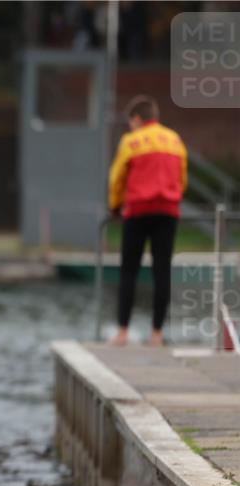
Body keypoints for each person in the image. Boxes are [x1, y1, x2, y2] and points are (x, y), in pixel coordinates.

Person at [108, 95, 187, 346]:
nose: (130, 126)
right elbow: (182, 178)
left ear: (137, 119)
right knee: (162, 271)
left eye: (131, 122)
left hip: (138, 211)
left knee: (129, 271)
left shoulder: (130, 142)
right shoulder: (174, 140)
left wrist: (115, 206)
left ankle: (122, 331)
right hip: (167, 212)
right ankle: (157, 333)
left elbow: (117, 178)